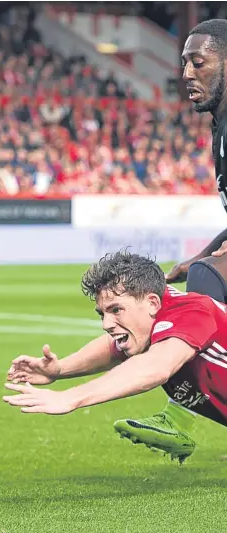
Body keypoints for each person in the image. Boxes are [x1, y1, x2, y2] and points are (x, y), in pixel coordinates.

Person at [110, 18, 227, 459]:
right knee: (199, 276)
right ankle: (182, 412)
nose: (187, 74)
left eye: (200, 63)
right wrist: (201, 253)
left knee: (203, 285)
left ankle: (179, 416)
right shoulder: (221, 128)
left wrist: (205, 262)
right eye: (184, 64)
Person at [3, 251, 227, 463]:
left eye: (116, 310)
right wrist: (60, 370)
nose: (106, 324)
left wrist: (71, 397)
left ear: (152, 302)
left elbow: (156, 367)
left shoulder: (193, 312)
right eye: (103, 313)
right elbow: (114, 348)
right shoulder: (154, 310)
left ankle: (176, 420)